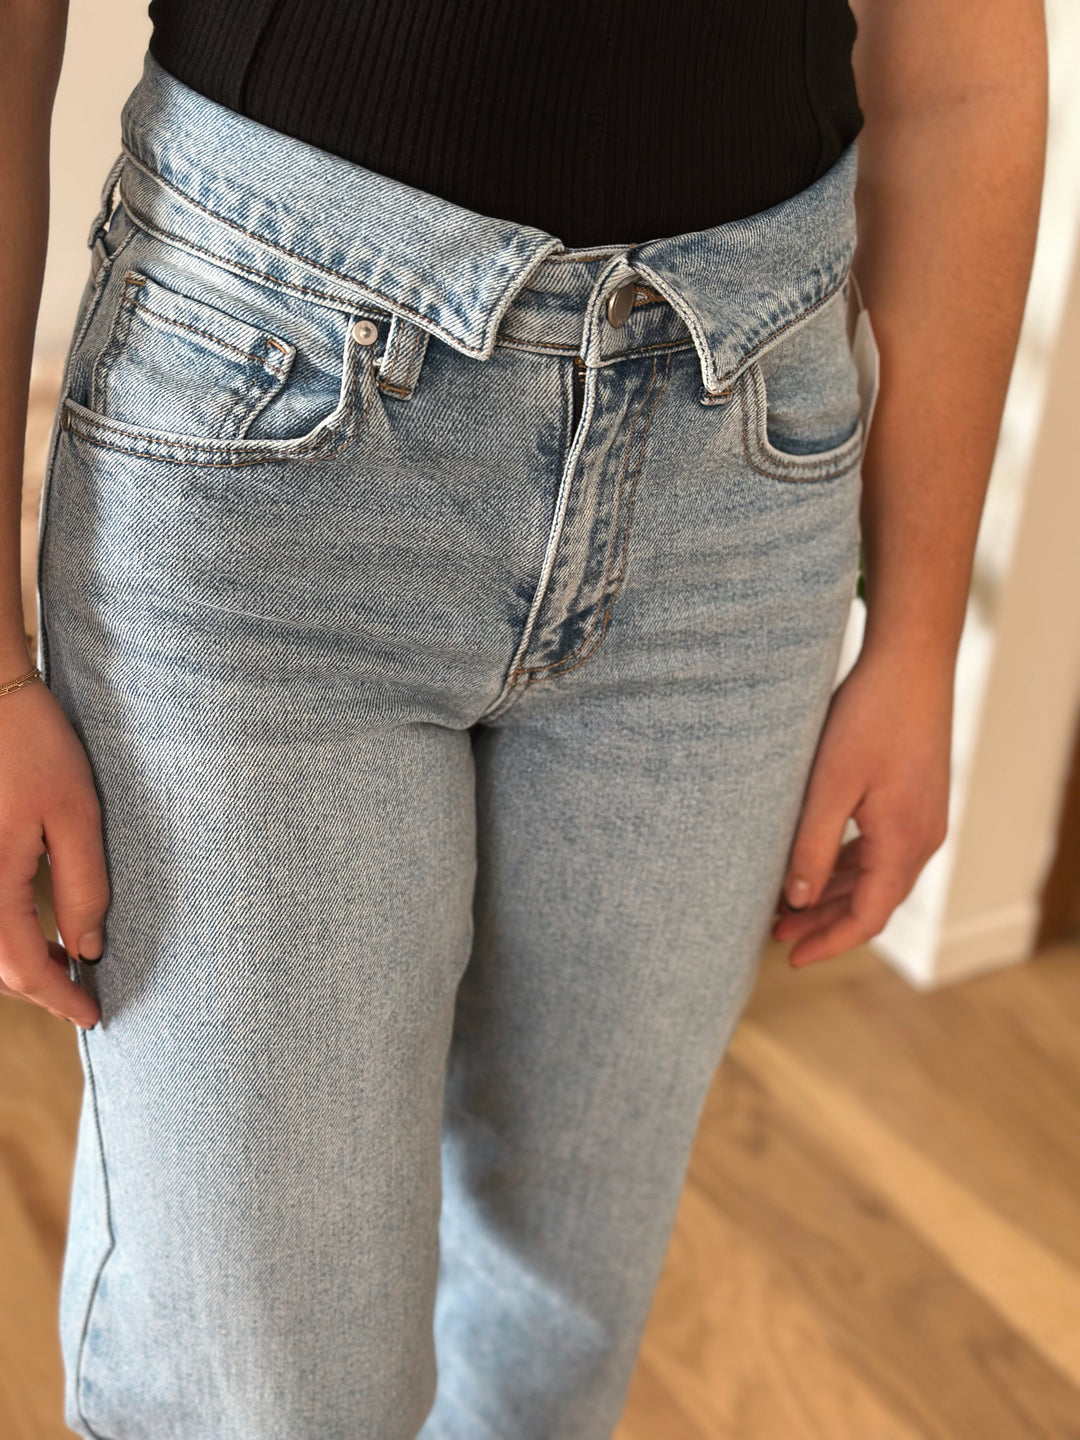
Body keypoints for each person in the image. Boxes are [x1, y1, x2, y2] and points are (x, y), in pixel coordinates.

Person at [0, 2, 1047, 1437]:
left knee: (554, 1334)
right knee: (272, 1385)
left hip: (740, 456)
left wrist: (918, 638)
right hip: (265, 434)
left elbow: (968, 74)